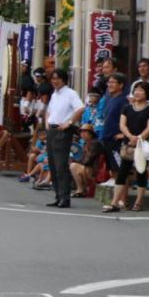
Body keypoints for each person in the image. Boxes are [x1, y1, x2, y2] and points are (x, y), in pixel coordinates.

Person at [105, 80, 149, 212]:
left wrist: (139, 138)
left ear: (147, 93)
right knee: (122, 172)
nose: (138, 93)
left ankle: (138, 202)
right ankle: (115, 202)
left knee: (141, 172)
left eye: (141, 90)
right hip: (127, 144)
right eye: (136, 90)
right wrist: (129, 136)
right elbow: (122, 125)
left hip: (142, 145)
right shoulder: (127, 108)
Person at [45, 68, 85, 208]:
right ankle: (58, 196)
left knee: (61, 165)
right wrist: (47, 124)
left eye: (57, 78)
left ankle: (65, 198)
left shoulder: (71, 93)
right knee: (53, 165)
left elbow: (80, 108)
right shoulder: (54, 94)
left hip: (63, 131)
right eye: (53, 78)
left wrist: (69, 122)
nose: (55, 81)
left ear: (64, 79)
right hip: (52, 130)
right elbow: (49, 110)